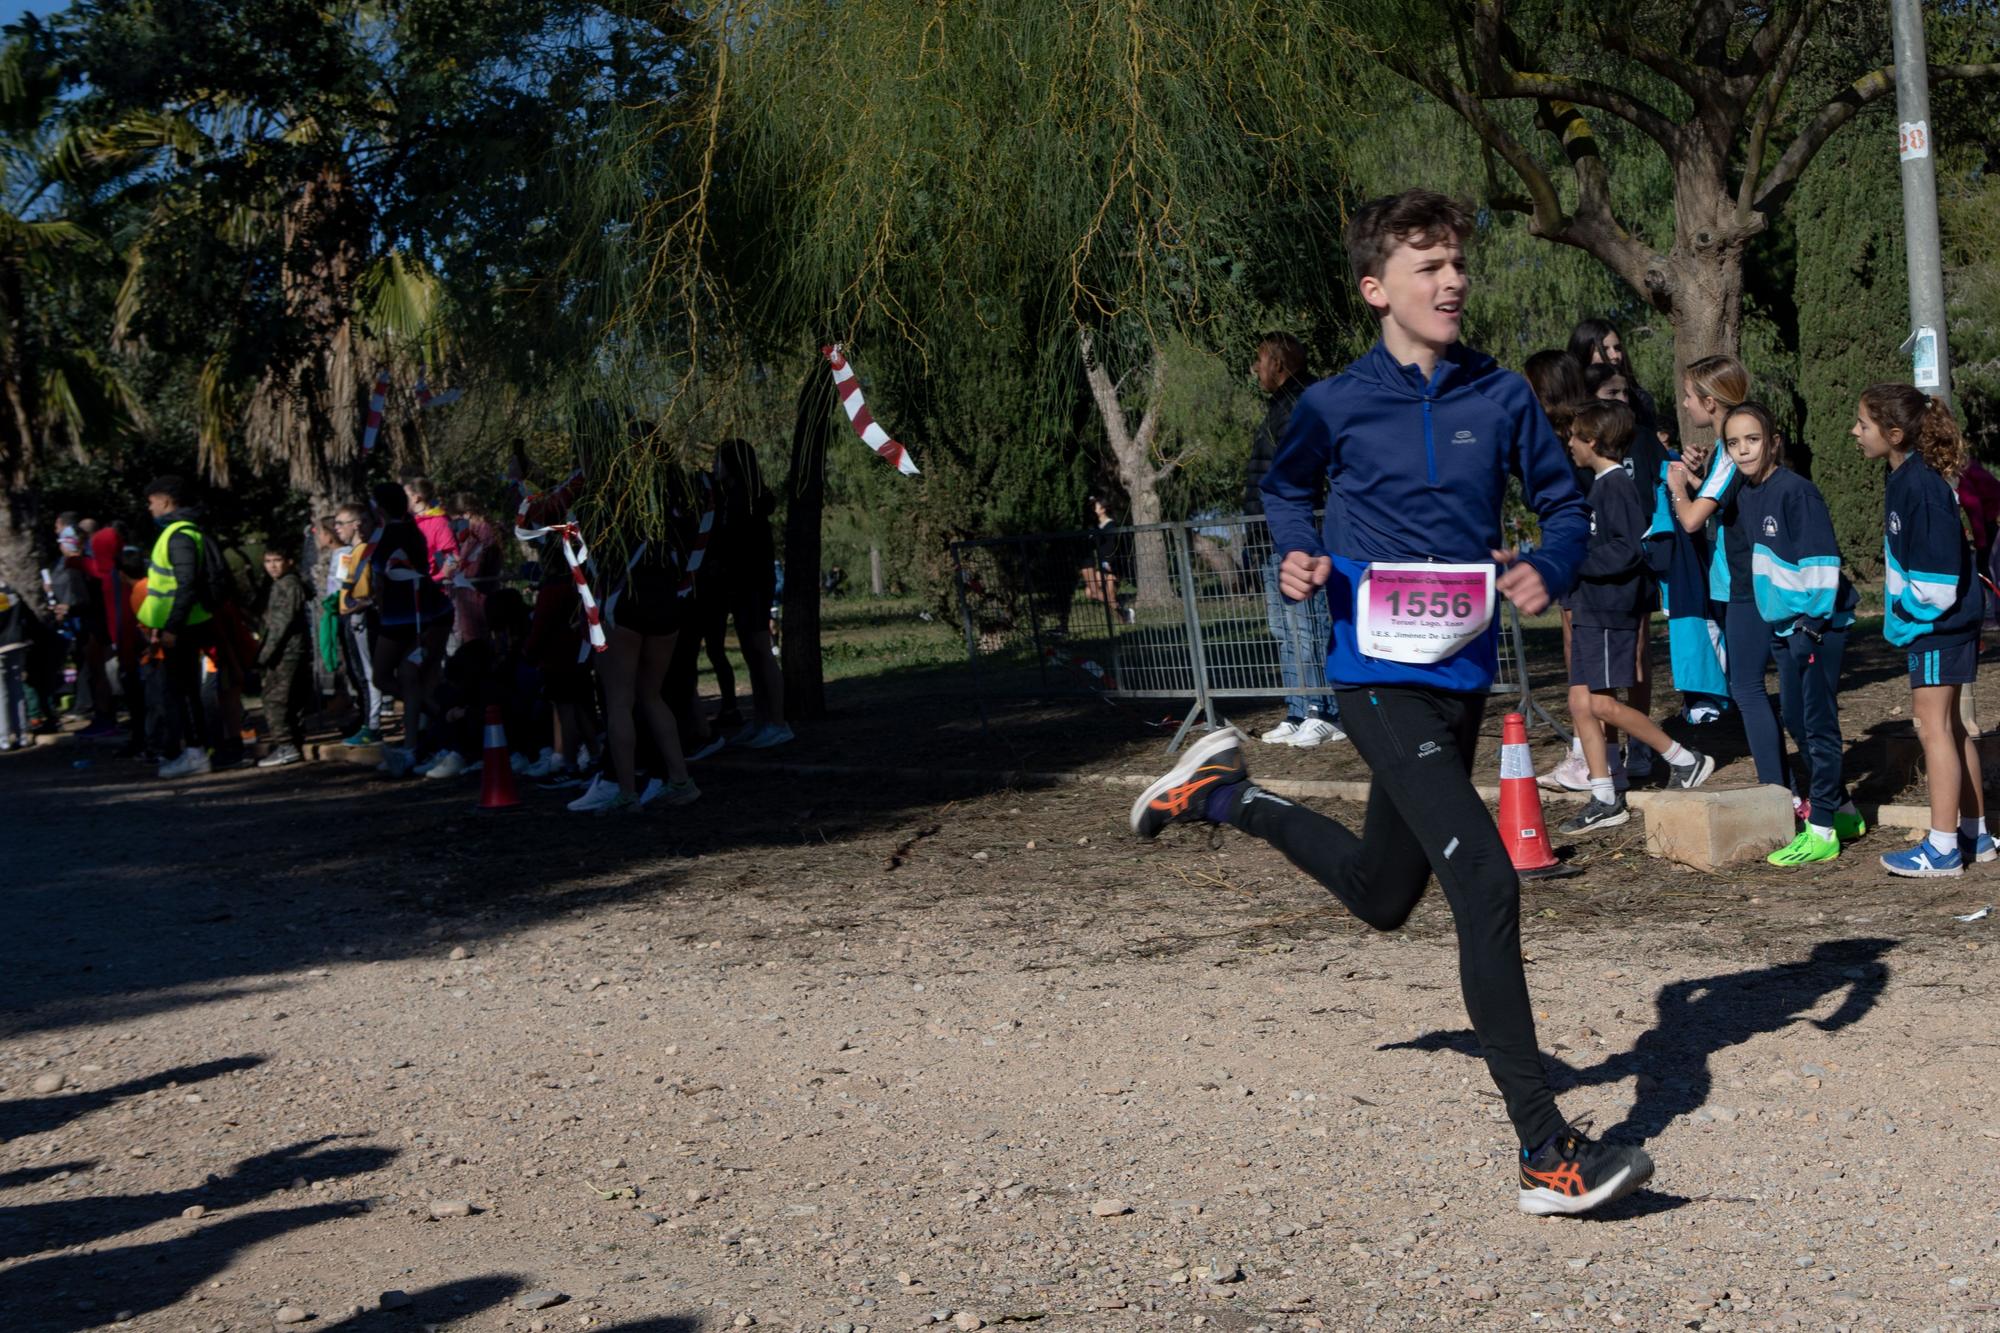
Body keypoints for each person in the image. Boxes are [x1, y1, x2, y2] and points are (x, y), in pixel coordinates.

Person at [1131, 189, 1651, 1216]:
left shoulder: (1500, 398)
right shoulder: (1330, 404)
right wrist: (1293, 552)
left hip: (1456, 672)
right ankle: (1544, 1154)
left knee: (1381, 893)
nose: (1452, 279)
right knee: (1488, 886)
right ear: (1377, 288)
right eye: (1428, 266)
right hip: (1370, 672)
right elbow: (1282, 488)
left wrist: (1547, 564)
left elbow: (1557, 506)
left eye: (1456, 262)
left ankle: (1221, 795)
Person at [1671, 403, 1859, 865]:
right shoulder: (1749, 492)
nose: (1742, 450)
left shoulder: (1798, 492)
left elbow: (1820, 564)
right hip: (1786, 624)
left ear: (1773, 440)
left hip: (1816, 625)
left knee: (1816, 725)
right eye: (1733, 443)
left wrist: (1809, 626)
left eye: (1751, 440)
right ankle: (1844, 812)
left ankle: (1821, 832)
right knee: (1796, 719)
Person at [1556, 400, 1715, 833]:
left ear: (1591, 441)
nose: (1568, 443)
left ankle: (1683, 758)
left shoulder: (1617, 487)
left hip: (1610, 610)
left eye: (1574, 436)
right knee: (1581, 703)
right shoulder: (1598, 486)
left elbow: (1627, 551)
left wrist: (1576, 559)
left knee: (1601, 702)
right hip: (1590, 607)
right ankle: (1605, 795)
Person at [1858, 385, 1993, 875]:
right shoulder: (1903, 477)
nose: (1855, 432)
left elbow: (1936, 584)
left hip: (1938, 625)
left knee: (1931, 728)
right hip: (1938, 624)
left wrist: (1902, 611)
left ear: (1895, 434)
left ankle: (1940, 850)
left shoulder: (1922, 486)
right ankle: (1975, 839)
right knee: (1952, 730)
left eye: (1864, 425)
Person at [1244, 331, 1341, 747]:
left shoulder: (1305, 405)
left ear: (1279, 365)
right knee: (1283, 628)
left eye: (1260, 360)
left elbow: (1302, 474)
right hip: (1269, 534)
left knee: (1308, 626)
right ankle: (1297, 708)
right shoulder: (1277, 408)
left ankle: (1324, 711)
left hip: (1297, 536)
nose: (1255, 369)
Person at [136, 476, 222, 778]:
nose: (149, 508)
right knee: (181, 691)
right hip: (179, 624)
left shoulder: (179, 534)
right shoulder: (179, 532)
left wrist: (171, 627)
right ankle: (194, 751)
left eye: (151, 502)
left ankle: (196, 753)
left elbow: (186, 584)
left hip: (184, 626)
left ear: (166, 501)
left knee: (183, 692)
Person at [366, 481, 454, 772]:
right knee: (399, 678)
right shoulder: (406, 530)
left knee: (400, 676)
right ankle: (438, 717)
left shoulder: (391, 534)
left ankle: (414, 744)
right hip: (410, 612)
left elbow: (382, 577)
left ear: (379, 507)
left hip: (408, 615)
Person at [714, 438, 792, 748]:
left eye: (719, 461)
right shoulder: (732, 497)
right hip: (741, 584)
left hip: (753, 584)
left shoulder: (745, 500)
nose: (714, 467)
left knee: (761, 650)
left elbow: (742, 547)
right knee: (750, 652)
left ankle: (778, 721)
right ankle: (762, 720)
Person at [331, 504, 385, 745]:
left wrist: (353, 608)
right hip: (349, 619)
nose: (336, 528)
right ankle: (367, 722)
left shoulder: (363, 552)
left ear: (356, 525)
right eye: (335, 524)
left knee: (369, 673)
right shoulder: (349, 553)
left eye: (341, 523)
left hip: (360, 620)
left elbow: (364, 595)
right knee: (360, 673)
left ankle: (372, 725)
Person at [255, 543, 311, 767]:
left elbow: (281, 624)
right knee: (290, 698)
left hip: (287, 651)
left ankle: (286, 745)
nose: (272, 566)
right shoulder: (280, 584)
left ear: (289, 562)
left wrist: (264, 654)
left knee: (274, 699)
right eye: (268, 561)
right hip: (287, 650)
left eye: (277, 560)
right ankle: (293, 742)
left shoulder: (289, 585)